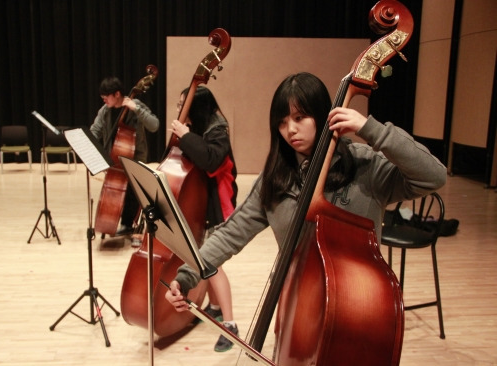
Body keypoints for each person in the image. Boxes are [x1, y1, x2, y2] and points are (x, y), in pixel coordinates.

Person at [165, 72, 447, 349]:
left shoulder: (365, 167)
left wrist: (372, 130)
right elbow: (230, 234)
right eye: (282, 122)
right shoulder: (276, 178)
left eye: (300, 118)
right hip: (298, 305)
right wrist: (187, 274)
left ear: (323, 114)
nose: (290, 130)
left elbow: (432, 176)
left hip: (359, 309)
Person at [169, 86, 239, 352]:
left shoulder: (218, 130)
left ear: (198, 108)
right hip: (204, 203)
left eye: (184, 106)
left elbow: (210, 160)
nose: (180, 111)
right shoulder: (202, 126)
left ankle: (231, 326)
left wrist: (186, 136)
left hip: (219, 203)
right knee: (204, 254)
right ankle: (215, 307)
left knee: (212, 263)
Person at [90, 76, 159, 246]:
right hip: (114, 162)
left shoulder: (136, 106)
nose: (104, 99)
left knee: (136, 194)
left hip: (136, 160)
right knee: (117, 194)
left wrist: (136, 109)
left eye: (106, 96)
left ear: (117, 94)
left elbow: (154, 125)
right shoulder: (105, 111)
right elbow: (95, 131)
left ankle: (136, 229)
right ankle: (125, 225)